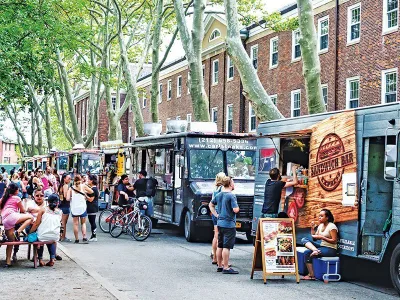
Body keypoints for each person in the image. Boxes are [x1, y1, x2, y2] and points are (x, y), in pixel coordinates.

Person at [209, 176, 240, 274]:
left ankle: (219, 265)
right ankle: (226, 267)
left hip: (220, 223)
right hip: (229, 224)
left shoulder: (219, 194)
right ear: (230, 184)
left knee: (220, 245)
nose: (234, 184)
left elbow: (211, 205)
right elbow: (235, 209)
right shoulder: (231, 196)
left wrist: (216, 214)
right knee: (227, 246)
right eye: (233, 182)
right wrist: (237, 208)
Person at [0, 183, 34, 267]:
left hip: (5, 220)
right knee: (30, 218)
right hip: (12, 216)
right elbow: (22, 211)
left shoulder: (3, 198)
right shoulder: (17, 198)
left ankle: (8, 262)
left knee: (10, 242)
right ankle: (18, 232)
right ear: (16, 191)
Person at [301, 209, 338, 280]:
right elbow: (314, 238)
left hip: (330, 249)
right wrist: (312, 229)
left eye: (321, 216)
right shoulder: (320, 226)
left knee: (308, 253)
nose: (319, 218)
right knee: (304, 240)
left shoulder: (332, 226)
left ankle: (315, 251)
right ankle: (312, 275)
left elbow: (334, 241)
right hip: (322, 247)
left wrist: (322, 237)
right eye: (319, 216)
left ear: (327, 218)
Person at [29, 193, 62, 267]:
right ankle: (52, 259)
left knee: (40, 241)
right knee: (52, 241)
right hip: (55, 235)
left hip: (43, 235)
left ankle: (40, 260)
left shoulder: (43, 210)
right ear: (57, 202)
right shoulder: (60, 212)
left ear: (48, 201)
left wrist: (30, 232)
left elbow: (36, 224)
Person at [67, 175, 94, 243]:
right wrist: (85, 194)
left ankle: (76, 239)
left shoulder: (71, 188)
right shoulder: (83, 186)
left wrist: (72, 198)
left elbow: (67, 198)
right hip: (82, 207)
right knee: (83, 223)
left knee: (75, 224)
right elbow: (92, 191)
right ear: (81, 179)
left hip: (74, 208)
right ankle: (84, 237)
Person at [210, 172, 225, 265]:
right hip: (220, 212)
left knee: (216, 236)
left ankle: (214, 256)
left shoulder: (215, 188)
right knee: (221, 237)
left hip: (214, 213)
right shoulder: (222, 189)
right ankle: (222, 260)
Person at [58, 173, 72, 242]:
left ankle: (61, 236)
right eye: (68, 178)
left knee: (62, 222)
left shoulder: (61, 186)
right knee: (63, 222)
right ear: (64, 179)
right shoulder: (66, 186)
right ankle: (62, 236)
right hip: (65, 205)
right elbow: (66, 197)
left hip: (61, 205)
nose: (70, 180)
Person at [86, 174, 99, 242]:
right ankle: (93, 235)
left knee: (92, 221)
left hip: (92, 206)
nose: (87, 181)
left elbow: (91, 199)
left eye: (88, 179)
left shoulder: (93, 189)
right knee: (92, 221)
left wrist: (86, 196)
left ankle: (94, 236)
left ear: (91, 181)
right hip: (92, 206)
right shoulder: (93, 188)